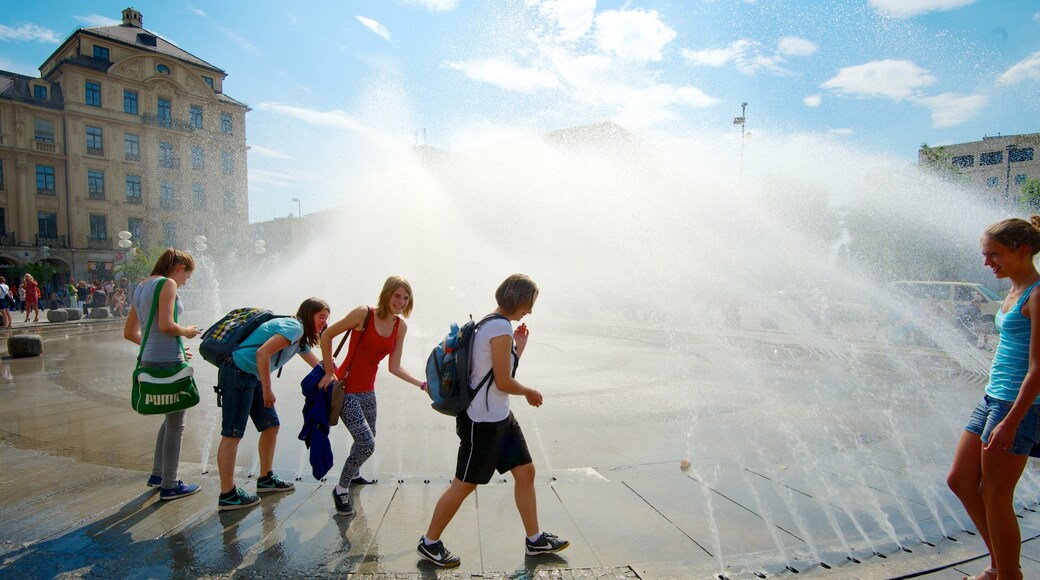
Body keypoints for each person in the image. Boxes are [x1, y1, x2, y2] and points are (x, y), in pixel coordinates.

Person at [417, 274, 568, 568]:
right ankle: (429, 542)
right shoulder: (498, 328)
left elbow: (496, 371)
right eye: (528, 303)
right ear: (516, 298)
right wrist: (528, 392)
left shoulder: (490, 323)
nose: (530, 310)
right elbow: (502, 381)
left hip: (500, 417)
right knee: (464, 485)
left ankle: (534, 540)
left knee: (525, 472)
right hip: (482, 421)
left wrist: (519, 346)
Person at [947, 217, 1040, 580]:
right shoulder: (1013, 290)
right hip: (992, 397)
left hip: (1016, 407)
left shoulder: (1037, 294)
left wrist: (1012, 421)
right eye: (985, 255)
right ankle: (1002, 567)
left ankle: (1007, 575)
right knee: (959, 480)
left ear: (1022, 251)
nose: (987, 263)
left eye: (994, 255)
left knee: (996, 497)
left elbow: (1037, 369)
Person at [317, 275, 427, 516]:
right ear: (387, 294)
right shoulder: (363, 314)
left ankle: (354, 474)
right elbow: (326, 336)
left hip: (368, 391)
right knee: (367, 443)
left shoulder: (400, 327)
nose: (401, 302)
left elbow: (394, 367)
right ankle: (341, 488)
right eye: (397, 295)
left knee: (367, 440)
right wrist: (329, 372)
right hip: (346, 390)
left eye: (406, 298)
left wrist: (422, 384)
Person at [215, 297, 328, 510]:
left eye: (326, 318)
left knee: (271, 426)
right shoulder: (294, 327)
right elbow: (263, 352)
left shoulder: (300, 338)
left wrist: (337, 375)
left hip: (252, 375)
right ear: (308, 314)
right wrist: (267, 389)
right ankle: (227, 494)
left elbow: (318, 365)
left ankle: (266, 478)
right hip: (238, 372)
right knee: (232, 433)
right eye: (321, 317)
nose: (324, 322)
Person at [122, 248, 202, 501]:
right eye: (187, 276)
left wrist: (169, 347)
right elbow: (166, 325)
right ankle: (170, 485)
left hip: (150, 359)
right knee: (177, 423)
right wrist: (187, 332)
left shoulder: (141, 286)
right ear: (179, 267)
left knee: (169, 417)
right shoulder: (167, 283)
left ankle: (158, 474)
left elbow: (130, 332)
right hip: (168, 362)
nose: (185, 282)